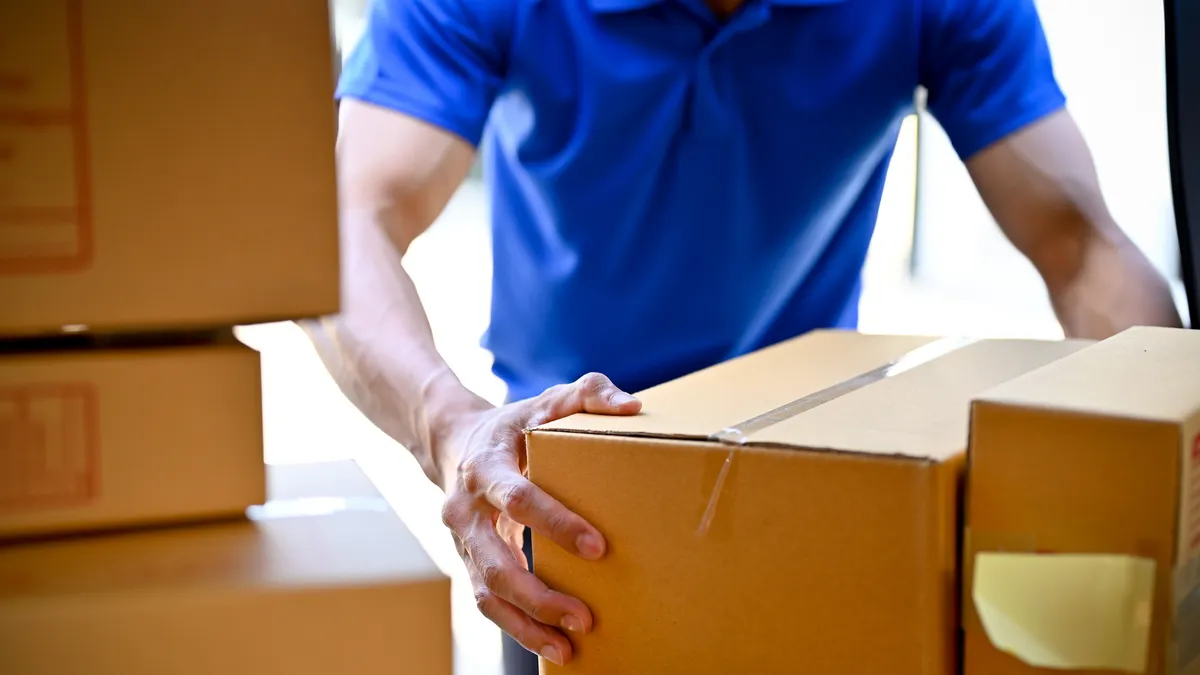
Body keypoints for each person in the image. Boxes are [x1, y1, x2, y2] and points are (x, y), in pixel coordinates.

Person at [318, 0, 1182, 672]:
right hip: (568, 505)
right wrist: (451, 424)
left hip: (811, 483)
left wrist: (1177, 474)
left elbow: (1080, 242)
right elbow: (339, 225)